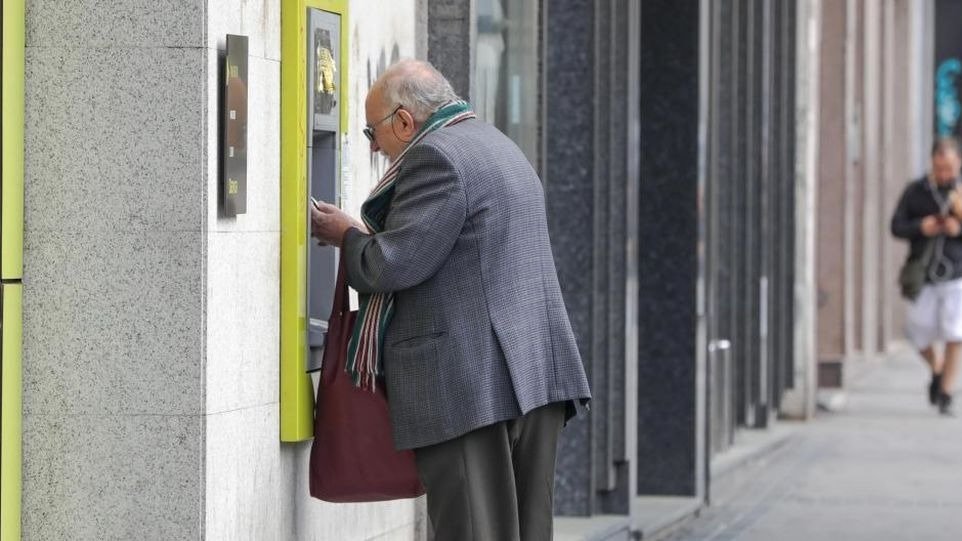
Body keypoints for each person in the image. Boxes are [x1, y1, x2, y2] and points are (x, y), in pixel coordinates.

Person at [310, 59, 591, 540]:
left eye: (373, 131)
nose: (374, 146)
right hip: (531, 374)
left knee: (473, 530)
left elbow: (390, 265)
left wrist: (346, 237)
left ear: (404, 121)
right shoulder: (495, 144)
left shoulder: (435, 157)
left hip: (470, 385)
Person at [891, 137, 962, 415]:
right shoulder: (917, 191)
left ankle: (945, 392)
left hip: (956, 272)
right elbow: (896, 226)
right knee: (917, 329)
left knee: (955, 332)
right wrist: (922, 227)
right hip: (925, 273)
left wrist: (957, 228)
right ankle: (937, 367)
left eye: (950, 168)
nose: (945, 174)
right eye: (939, 167)